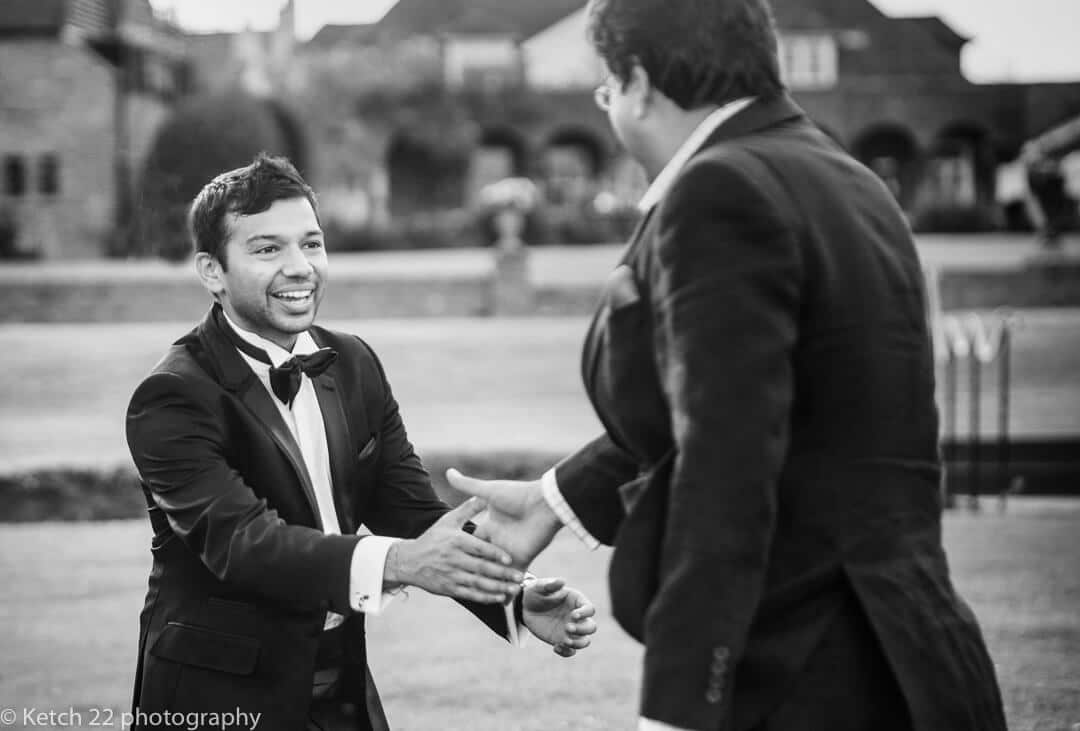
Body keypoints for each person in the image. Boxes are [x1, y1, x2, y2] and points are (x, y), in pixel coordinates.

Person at [447, 0, 1007, 729]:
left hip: (808, 672)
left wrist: (679, 708)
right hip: (919, 655)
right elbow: (781, 411)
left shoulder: (719, 191)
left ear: (639, 83)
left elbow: (728, 467)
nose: (605, 102)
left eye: (605, 84)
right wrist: (558, 500)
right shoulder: (850, 180)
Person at [125, 154, 596, 731]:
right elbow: (244, 544)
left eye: (312, 244)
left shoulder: (353, 362)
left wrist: (513, 596)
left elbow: (413, 513)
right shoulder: (172, 395)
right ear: (212, 271)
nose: (300, 267)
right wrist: (400, 563)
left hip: (342, 687)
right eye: (267, 249)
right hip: (216, 693)